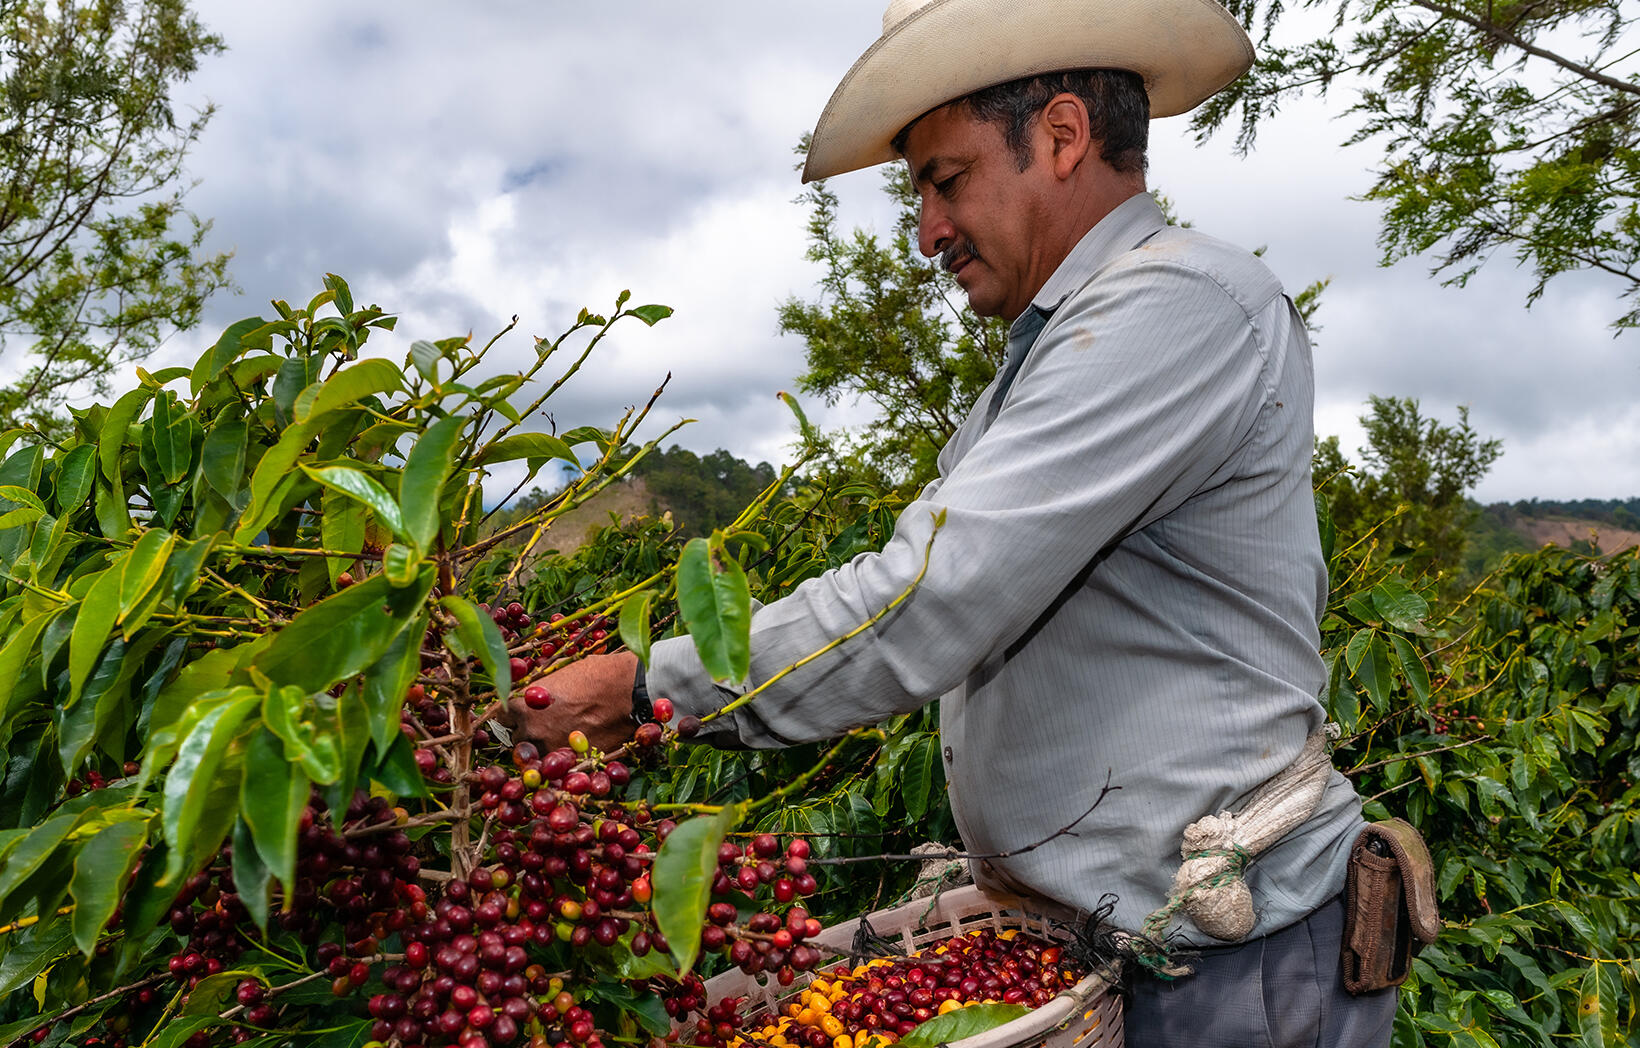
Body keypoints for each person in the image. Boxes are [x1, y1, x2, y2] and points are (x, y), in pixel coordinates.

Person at [514, 0, 1400, 1043]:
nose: (928, 232)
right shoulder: (1042, 364)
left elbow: (935, 589)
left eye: (946, 180)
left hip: (1233, 969)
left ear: (1063, 137)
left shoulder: (1179, 306)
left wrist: (646, 689)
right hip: (1114, 949)